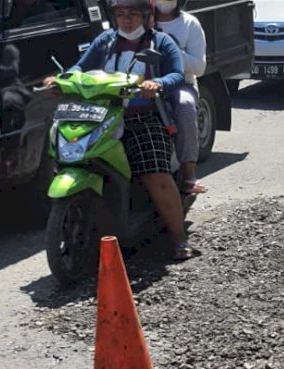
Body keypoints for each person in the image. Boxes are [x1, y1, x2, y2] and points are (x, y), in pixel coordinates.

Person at [42, 0, 198, 261]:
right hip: (100, 116)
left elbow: (176, 74)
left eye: (133, 14)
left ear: (147, 16)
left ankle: (179, 238)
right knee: (75, 156)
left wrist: (156, 83)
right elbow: (81, 66)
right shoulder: (104, 41)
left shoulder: (161, 42)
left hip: (143, 117)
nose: (126, 20)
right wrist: (62, 79)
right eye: (121, 14)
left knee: (155, 175)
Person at [154, 0, 207, 195]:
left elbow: (199, 67)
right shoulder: (141, 21)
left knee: (185, 106)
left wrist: (172, 51)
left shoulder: (190, 24)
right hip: (145, 82)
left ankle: (188, 172)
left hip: (181, 84)